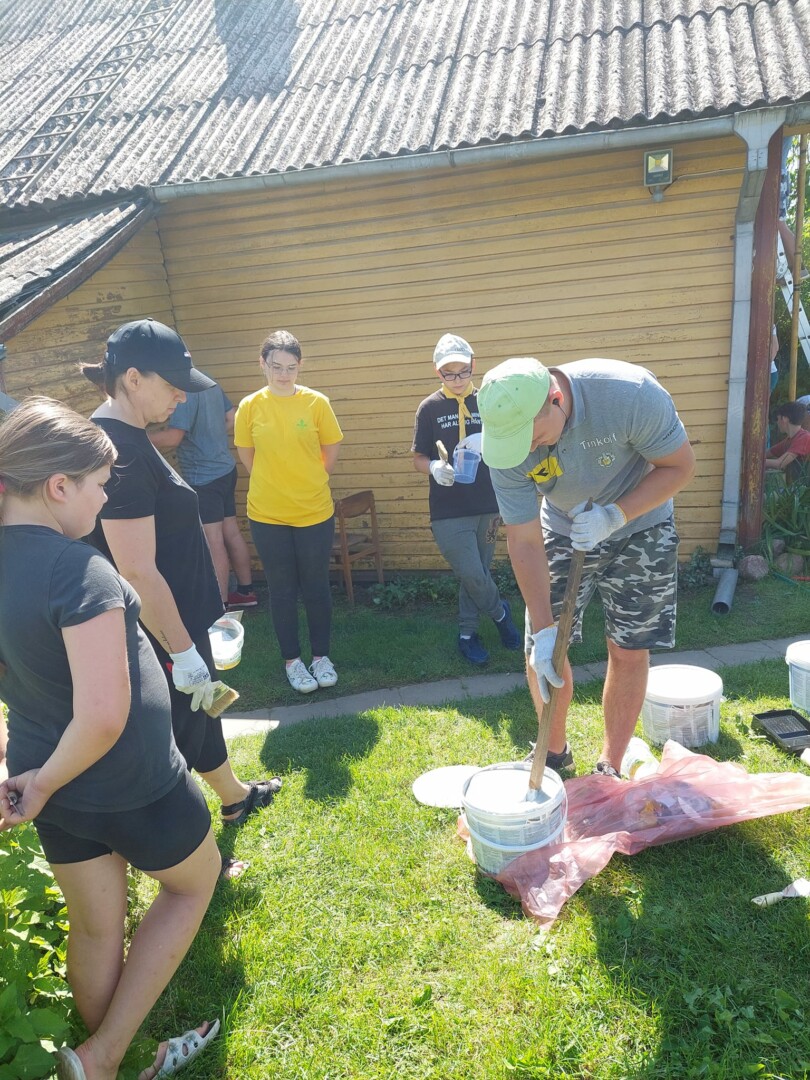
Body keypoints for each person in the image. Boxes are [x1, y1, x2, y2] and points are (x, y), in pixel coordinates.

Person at [0, 397, 221, 1080]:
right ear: (57, 486)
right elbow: (102, 716)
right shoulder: (79, 570)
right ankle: (105, 1055)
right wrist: (41, 785)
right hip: (130, 780)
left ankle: (105, 1059)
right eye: (98, 484)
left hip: (49, 780)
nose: (103, 498)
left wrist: (31, 777)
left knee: (96, 925)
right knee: (193, 884)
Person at [82, 318, 281, 827]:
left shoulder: (130, 435)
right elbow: (135, 570)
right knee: (172, 731)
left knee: (197, 716)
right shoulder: (119, 452)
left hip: (177, 619)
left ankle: (234, 797)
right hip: (160, 627)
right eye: (172, 385)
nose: (181, 397)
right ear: (133, 378)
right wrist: (182, 650)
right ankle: (185, 847)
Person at [477, 356, 695, 778]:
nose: (526, 450)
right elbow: (523, 539)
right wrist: (544, 631)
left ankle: (610, 765)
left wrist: (615, 515)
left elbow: (680, 467)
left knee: (628, 648)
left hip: (641, 526)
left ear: (555, 399)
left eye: (532, 437)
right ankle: (554, 753)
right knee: (543, 649)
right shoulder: (505, 444)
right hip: (563, 526)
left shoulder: (630, 395)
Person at [234, 330, 343, 694]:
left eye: (291, 367)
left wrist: (309, 479)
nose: (283, 374)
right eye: (276, 366)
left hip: (314, 511)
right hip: (267, 515)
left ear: (300, 366)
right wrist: (276, 483)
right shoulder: (250, 406)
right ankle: (292, 661)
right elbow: (248, 456)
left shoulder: (317, 403)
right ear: (262, 364)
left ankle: (321, 657)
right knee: (281, 590)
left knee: (316, 586)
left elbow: (330, 450)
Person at [411, 333, 521, 664]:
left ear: (474, 365)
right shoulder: (429, 408)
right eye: (449, 374)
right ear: (438, 372)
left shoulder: (488, 400)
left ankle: (467, 635)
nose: (457, 380)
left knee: (477, 573)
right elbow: (418, 457)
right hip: (448, 509)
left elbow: (509, 440)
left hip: (487, 503)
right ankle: (501, 614)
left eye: (463, 372)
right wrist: (433, 467)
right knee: (472, 573)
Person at [149, 377, 258, 611]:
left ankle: (220, 605)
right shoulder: (208, 382)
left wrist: (138, 437)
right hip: (225, 470)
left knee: (213, 539)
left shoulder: (184, 390)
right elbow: (231, 417)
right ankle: (246, 592)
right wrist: (209, 435)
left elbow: (173, 437)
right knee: (231, 531)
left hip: (204, 478)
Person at [765, 401, 810, 475]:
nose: (777, 422)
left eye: (778, 419)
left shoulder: (805, 438)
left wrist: (754, 461)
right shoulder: (790, 439)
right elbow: (767, 453)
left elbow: (780, 463)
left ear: (785, 418)